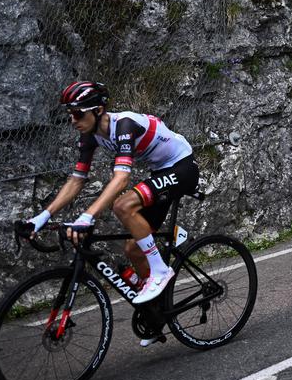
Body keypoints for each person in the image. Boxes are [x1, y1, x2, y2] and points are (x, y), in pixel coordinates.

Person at [25, 81, 197, 308]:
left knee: (123, 205)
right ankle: (158, 310)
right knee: (134, 249)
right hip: (160, 172)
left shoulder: (125, 125)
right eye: (70, 115)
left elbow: (121, 179)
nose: (73, 120)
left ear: (98, 110)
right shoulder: (90, 135)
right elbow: (76, 180)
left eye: (77, 114)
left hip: (182, 167)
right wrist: (41, 218)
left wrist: (87, 217)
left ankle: (161, 271)